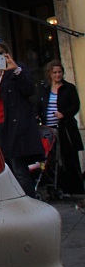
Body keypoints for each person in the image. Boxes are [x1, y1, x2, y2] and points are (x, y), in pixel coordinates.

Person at [0, 38, 44, 196]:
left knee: (18, 166)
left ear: (8, 54)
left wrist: (16, 70)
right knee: (2, 166)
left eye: (1, 53)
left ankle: (29, 201)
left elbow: (29, 90)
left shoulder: (18, 68)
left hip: (15, 125)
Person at [38, 60, 85, 197]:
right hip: (49, 129)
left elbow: (75, 106)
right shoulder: (45, 89)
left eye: (60, 72)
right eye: (55, 72)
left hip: (65, 129)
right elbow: (40, 105)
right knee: (52, 160)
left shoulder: (69, 88)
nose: (58, 75)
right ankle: (57, 187)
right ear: (50, 74)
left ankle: (75, 189)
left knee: (69, 158)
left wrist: (63, 113)